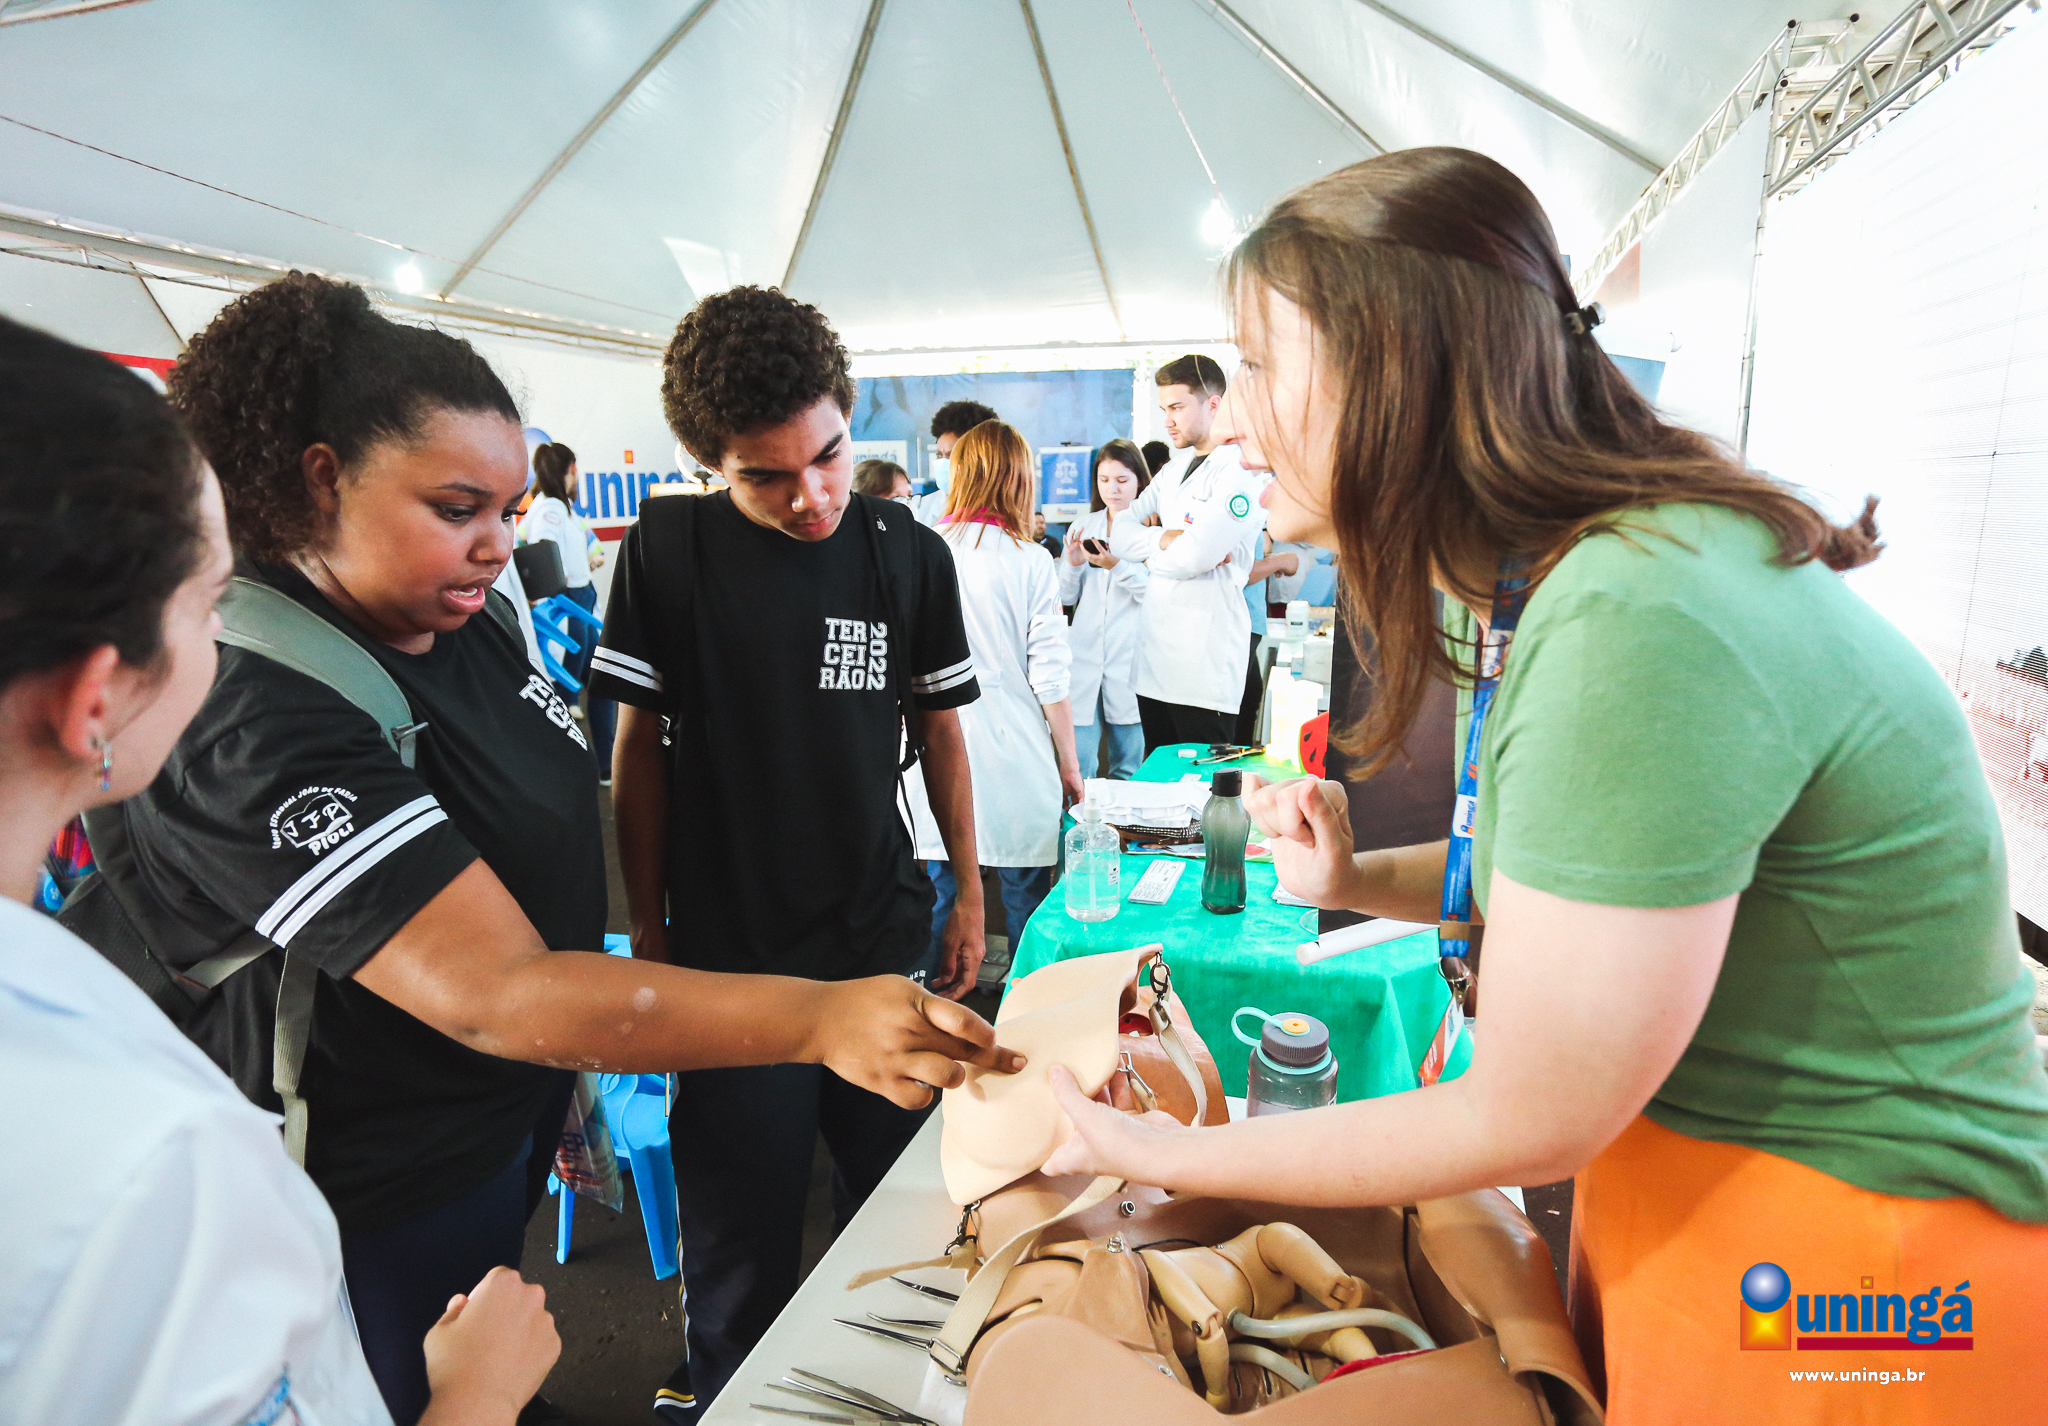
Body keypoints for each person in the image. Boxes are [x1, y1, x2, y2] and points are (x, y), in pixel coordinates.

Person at [1041, 149, 2048, 1421]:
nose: (1231, 419)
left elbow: (1533, 1107)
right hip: (1724, 1232)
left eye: (1256, 364)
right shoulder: (1588, 577)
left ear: (1397, 368)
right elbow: (1590, 886)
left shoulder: (1640, 607)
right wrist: (1358, 878)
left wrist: (1173, 1148)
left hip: (1864, 1289)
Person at [94, 273, 1013, 1426]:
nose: (498, 546)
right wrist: (807, 1012)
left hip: (503, 1120)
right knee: (417, 1382)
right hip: (377, 1166)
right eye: (458, 508)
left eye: (511, 509)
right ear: (324, 479)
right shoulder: (251, 707)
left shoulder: (455, 616)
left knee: (498, 1367)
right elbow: (495, 987)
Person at [0, 314, 562, 1426]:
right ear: (96, 696)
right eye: (211, 602)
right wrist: (475, 1399)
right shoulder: (154, 1158)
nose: (231, 637)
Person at [592, 287, 1000, 1417]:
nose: (810, 495)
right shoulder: (669, 551)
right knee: (740, 1255)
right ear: (707, 464)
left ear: (848, 417)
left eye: (827, 456)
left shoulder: (905, 553)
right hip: (729, 969)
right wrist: (650, 924)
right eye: (763, 477)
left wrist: (968, 892)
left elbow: (941, 733)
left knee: (908, 1226)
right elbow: (638, 746)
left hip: (876, 940)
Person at [906, 420, 1084, 971]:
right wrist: (1070, 764)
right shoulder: (1029, 559)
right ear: (1019, 478)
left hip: (930, 744)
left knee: (940, 888)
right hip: (1014, 748)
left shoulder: (922, 549)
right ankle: (1027, 1005)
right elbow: (1049, 675)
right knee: (1026, 891)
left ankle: (934, 1001)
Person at [1109, 355, 1268, 752]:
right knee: (1156, 781)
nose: (1168, 420)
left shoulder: (1241, 471)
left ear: (1213, 404)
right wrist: (1164, 540)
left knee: (1202, 787)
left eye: (1177, 407)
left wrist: (1153, 553)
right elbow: (1119, 535)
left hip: (1203, 671)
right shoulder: (1172, 471)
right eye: (1164, 409)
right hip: (1154, 667)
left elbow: (1193, 557)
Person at [516, 441, 614, 776]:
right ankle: (586, 771)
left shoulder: (561, 508)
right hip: (567, 606)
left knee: (601, 686)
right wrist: (551, 595)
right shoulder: (551, 508)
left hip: (578, 603)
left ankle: (606, 767)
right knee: (573, 693)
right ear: (571, 469)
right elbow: (542, 549)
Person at [1059, 439, 1151, 779]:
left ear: (1139, 481)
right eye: (1104, 480)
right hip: (1083, 658)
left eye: (1122, 480)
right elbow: (1066, 597)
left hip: (1130, 658)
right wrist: (1072, 564)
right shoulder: (1084, 526)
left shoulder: (1152, 531)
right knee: (1078, 766)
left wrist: (1116, 565)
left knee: (1129, 767)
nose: (1113, 489)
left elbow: (1153, 594)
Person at [912, 398, 1000, 525]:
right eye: (939, 456)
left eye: (952, 456)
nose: (943, 463)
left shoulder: (1004, 510)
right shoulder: (921, 510)